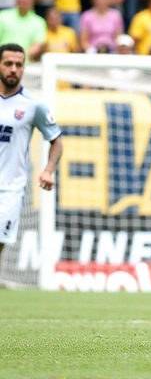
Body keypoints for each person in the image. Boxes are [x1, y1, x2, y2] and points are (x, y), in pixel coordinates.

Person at [0, 43, 62, 269]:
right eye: (8, 64)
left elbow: (56, 140)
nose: (13, 69)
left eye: (19, 64)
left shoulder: (34, 105)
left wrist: (48, 169)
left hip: (9, 190)